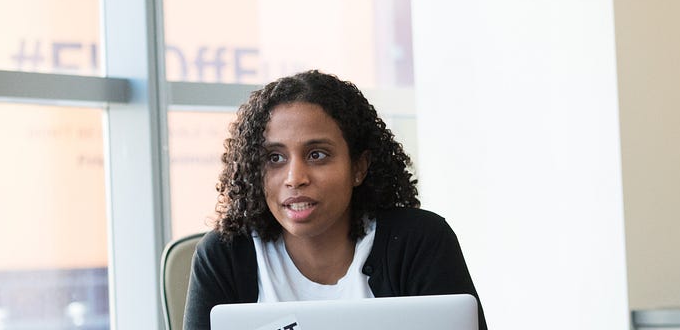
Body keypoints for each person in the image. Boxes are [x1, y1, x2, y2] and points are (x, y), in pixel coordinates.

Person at [184, 70, 485, 330]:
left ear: (358, 167)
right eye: (274, 157)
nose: (294, 177)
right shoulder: (225, 256)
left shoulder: (419, 242)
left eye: (317, 155)